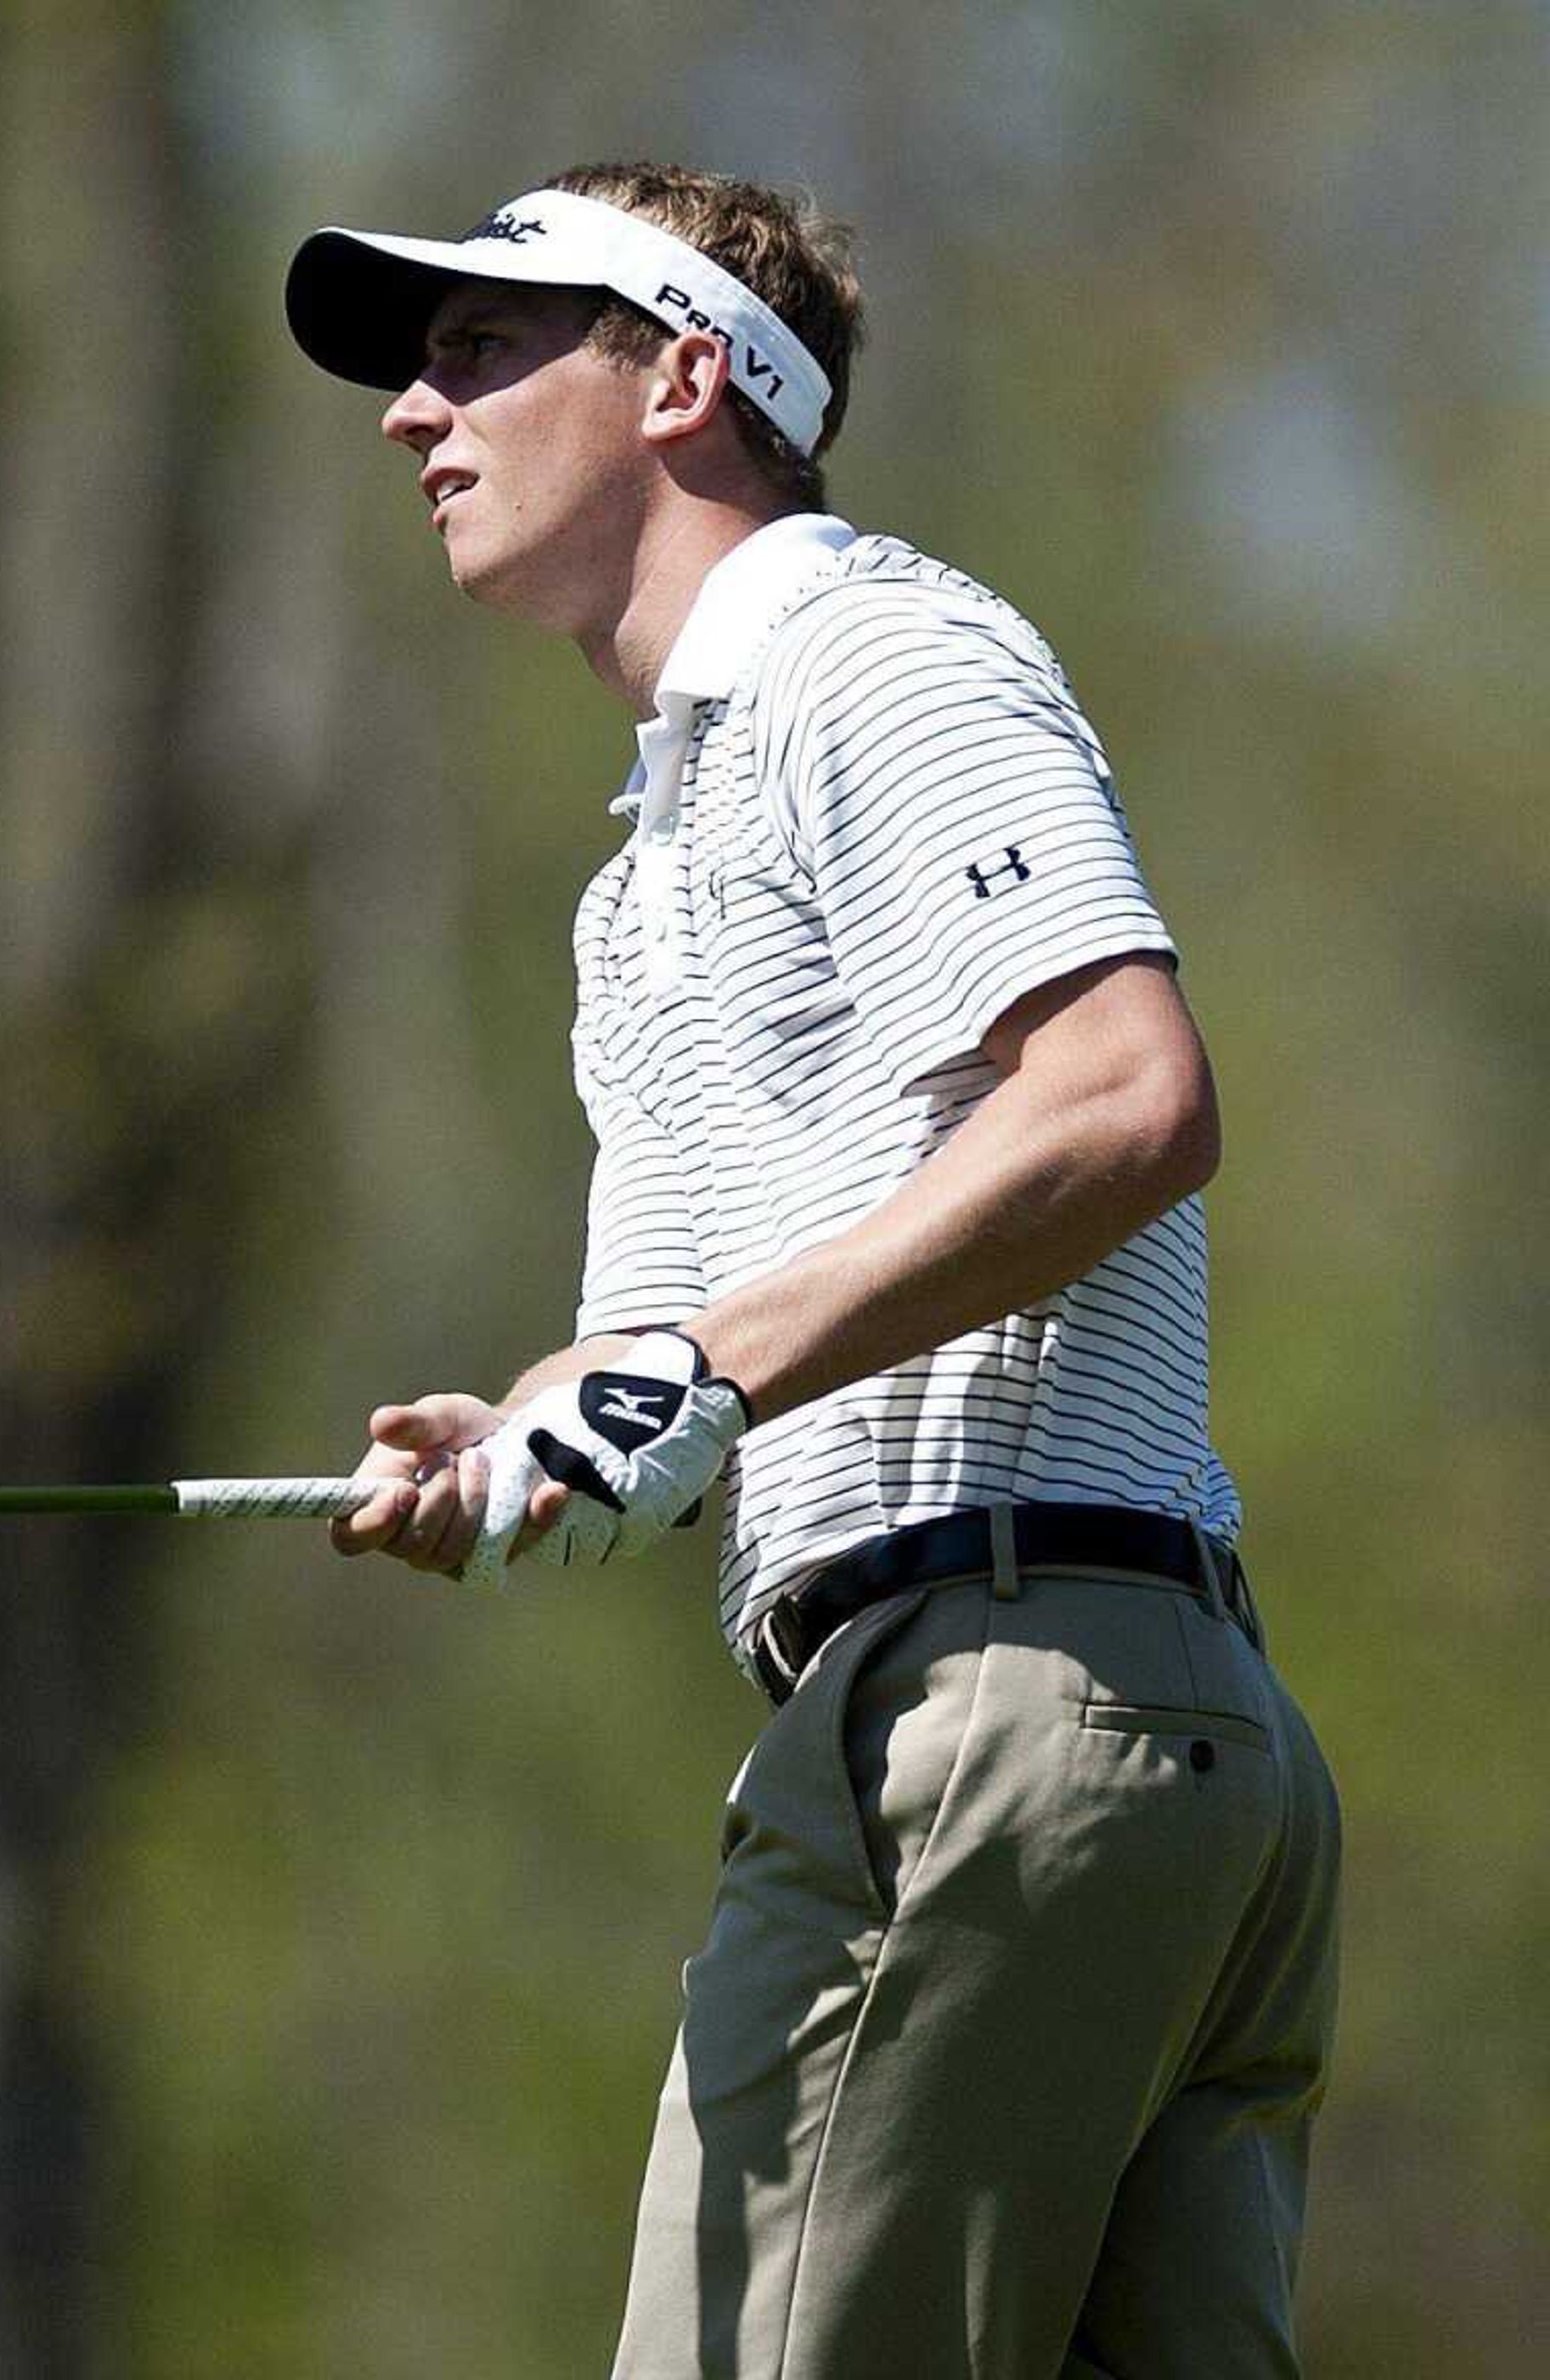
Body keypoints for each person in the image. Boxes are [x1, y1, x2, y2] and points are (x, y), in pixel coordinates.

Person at [284, 164, 1341, 2377]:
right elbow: (667, 1351)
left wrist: (700, 1366)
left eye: (482, 344)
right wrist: (523, 1439)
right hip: (1107, 1755)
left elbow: (1129, 1096)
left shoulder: (870, 648)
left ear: (685, 379)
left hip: (993, 1717)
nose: (411, 406)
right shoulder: (640, 886)